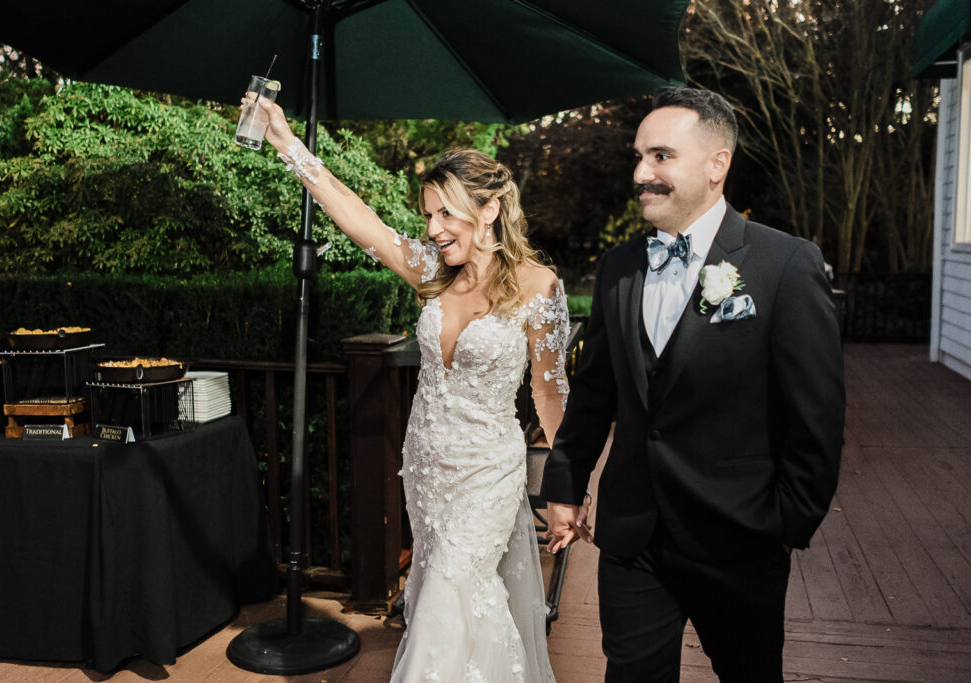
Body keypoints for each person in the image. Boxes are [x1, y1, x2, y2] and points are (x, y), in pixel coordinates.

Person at [247, 94, 565, 682]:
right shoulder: (430, 270)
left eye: (446, 214)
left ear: (490, 210)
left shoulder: (538, 287)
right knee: (447, 601)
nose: (432, 229)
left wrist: (570, 485)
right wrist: (286, 143)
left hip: (488, 472)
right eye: (427, 215)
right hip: (426, 467)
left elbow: (550, 395)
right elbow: (353, 213)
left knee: (451, 590)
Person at [542, 86, 845, 682]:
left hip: (738, 540)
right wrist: (566, 483)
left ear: (717, 164)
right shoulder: (620, 266)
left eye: (661, 156)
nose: (641, 173)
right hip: (632, 540)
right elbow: (597, 390)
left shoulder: (785, 265)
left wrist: (784, 526)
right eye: (638, 157)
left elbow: (817, 416)